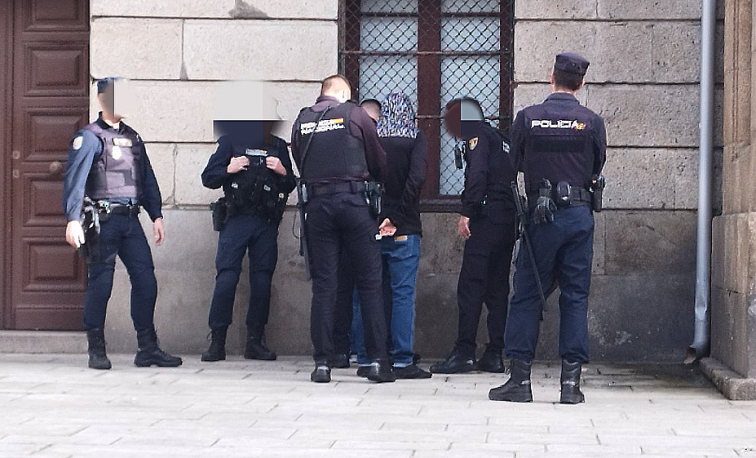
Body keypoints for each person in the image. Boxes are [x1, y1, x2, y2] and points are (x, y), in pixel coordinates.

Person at [488, 52, 607, 404]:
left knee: (526, 294)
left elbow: (514, 164)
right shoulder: (592, 121)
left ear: (550, 75)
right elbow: (597, 163)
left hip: (541, 217)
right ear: (581, 83)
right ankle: (570, 386)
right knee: (575, 297)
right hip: (579, 217)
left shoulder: (528, 118)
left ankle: (520, 382)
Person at [62, 77, 182, 370]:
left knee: (146, 281)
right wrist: (73, 219)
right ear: (103, 100)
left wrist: (156, 215)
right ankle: (96, 349)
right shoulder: (89, 137)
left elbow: (147, 178)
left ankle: (148, 348)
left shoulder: (134, 138)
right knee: (100, 285)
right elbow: (75, 180)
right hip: (102, 222)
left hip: (130, 221)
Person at [291, 74, 394, 383]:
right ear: (344, 93)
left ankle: (322, 362)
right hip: (353, 204)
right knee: (369, 282)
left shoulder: (302, 120)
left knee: (324, 284)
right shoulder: (354, 113)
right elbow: (378, 159)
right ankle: (377, 361)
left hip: (317, 207)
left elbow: (299, 159)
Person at [430, 98, 518, 375]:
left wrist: (467, 211)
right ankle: (494, 353)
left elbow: (477, 174)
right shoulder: (501, 138)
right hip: (507, 220)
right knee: (497, 289)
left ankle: (464, 352)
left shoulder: (477, 136)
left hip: (487, 218)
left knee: (470, 286)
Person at [199, 111, 295, 362]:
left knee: (262, 281)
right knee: (227, 278)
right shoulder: (230, 141)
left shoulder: (276, 146)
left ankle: (255, 340)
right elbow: (208, 178)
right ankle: (217, 340)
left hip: (265, 222)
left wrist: (283, 171)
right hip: (236, 219)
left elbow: (291, 184)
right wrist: (228, 169)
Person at [348, 93, 431, 379]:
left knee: (366, 292)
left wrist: (375, 216)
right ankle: (402, 358)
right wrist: (395, 217)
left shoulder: (371, 137)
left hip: (369, 226)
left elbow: (360, 178)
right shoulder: (415, 138)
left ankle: (365, 355)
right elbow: (417, 178)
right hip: (403, 227)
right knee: (402, 294)